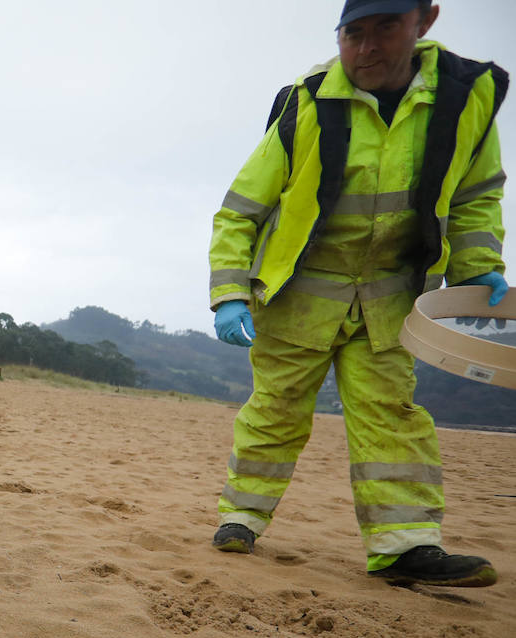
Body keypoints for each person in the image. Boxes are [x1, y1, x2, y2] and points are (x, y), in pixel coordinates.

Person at [207, 0, 506, 587]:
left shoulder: (464, 99)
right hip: (299, 296)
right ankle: (240, 517)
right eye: (353, 33)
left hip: (392, 300)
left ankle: (405, 545)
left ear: (425, 21)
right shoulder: (309, 100)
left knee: (392, 415)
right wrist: (229, 293)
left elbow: (476, 197)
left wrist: (478, 267)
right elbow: (240, 209)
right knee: (275, 410)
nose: (367, 48)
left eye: (385, 29)